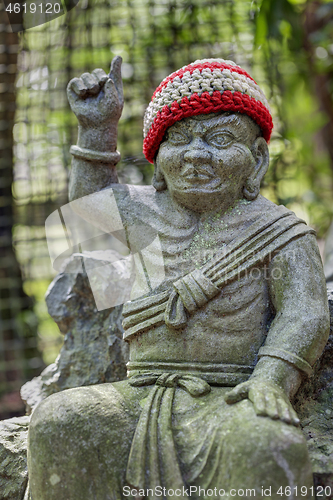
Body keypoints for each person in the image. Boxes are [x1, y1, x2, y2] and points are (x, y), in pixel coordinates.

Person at [28, 57, 330, 500]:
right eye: (179, 139)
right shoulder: (142, 213)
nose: (195, 155)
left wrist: (270, 379)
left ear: (257, 158)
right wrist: (96, 128)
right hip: (138, 392)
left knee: (269, 445)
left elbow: (305, 313)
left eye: (220, 139)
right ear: (157, 159)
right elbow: (88, 215)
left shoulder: (280, 230)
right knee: (61, 421)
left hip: (234, 394)